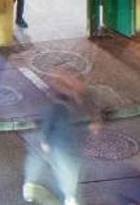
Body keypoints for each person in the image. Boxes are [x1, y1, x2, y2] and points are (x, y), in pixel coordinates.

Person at [22, 75, 87, 205]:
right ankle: (68, 197)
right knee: (66, 170)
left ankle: (31, 188)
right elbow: (48, 123)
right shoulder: (58, 107)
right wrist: (44, 140)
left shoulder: (64, 106)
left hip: (63, 144)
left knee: (46, 165)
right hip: (60, 145)